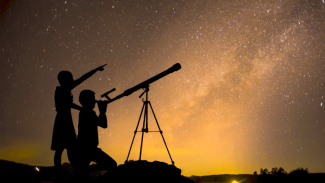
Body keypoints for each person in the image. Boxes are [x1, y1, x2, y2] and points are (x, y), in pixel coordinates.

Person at [51, 64, 106, 181]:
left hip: (66, 119)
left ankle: (76, 171)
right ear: (65, 80)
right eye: (70, 78)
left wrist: (94, 70)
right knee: (61, 149)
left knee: (70, 148)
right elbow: (68, 104)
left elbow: (82, 78)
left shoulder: (66, 89)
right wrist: (82, 109)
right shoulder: (61, 90)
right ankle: (59, 174)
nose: (73, 79)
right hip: (62, 120)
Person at [74, 89, 117, 180]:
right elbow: (103, 124)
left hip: (85, 148)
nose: (94, 101)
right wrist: (102, 112)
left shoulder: (85, 112)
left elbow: (102, 124)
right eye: (93, 99)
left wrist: (102, 112)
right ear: (87, 100)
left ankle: (83, 170)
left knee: (82, 174)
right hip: (89, 149)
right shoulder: (89, 112)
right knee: (112, 164)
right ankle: (84, 170)